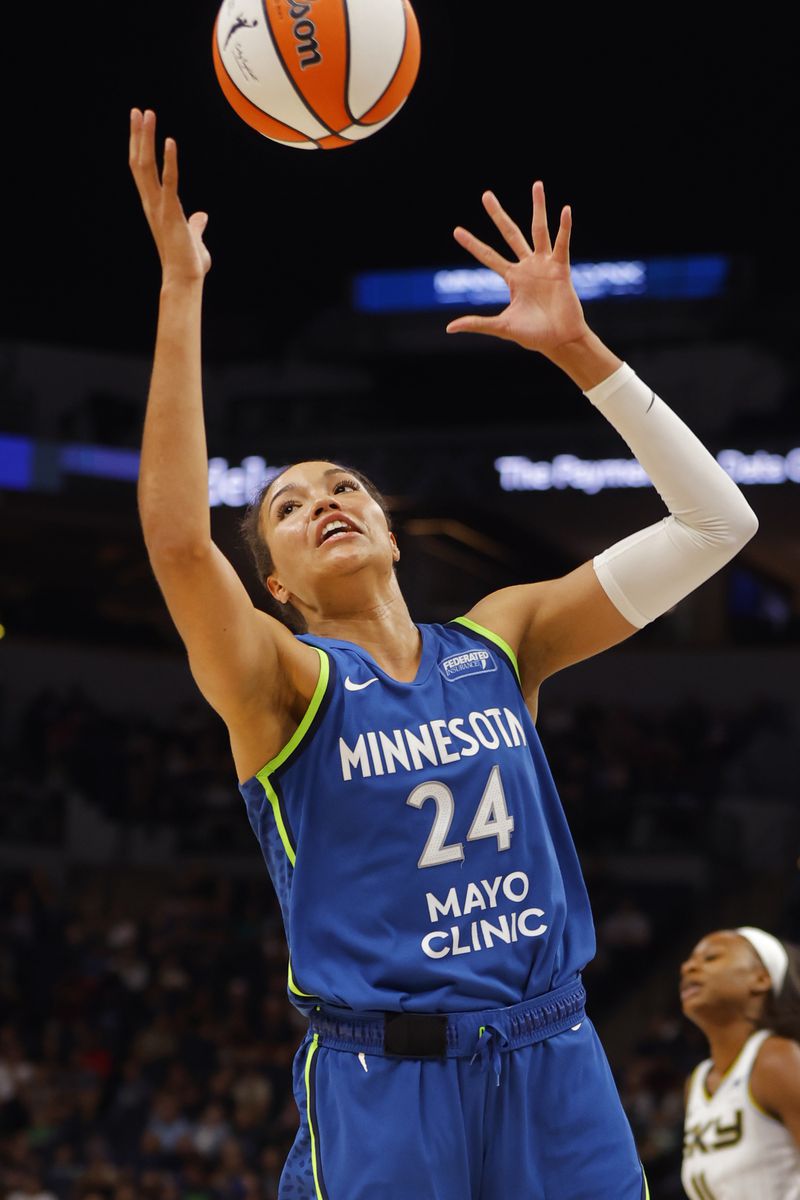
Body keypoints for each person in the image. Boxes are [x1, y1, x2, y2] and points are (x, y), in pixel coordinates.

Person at [129, 104, 758, 1200]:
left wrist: (579, 351)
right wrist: (182, 290)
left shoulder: (500, 636)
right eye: (287, 504)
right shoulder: (283, 684)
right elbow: (180, 543)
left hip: (554, 1058)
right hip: (386, 1081)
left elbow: (717, 527)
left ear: (384, 524)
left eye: (342, 486)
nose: (324, 500)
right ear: (274, 585)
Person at [680, 927, 800, 1199]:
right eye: (689, 961)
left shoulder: (775, 1059)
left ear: (760, 979)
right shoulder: (696, 1082)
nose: (688, 967)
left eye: (711, 958)